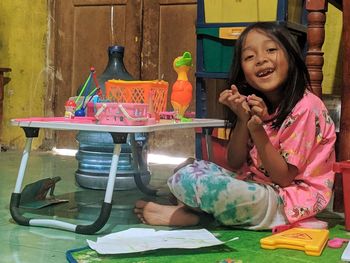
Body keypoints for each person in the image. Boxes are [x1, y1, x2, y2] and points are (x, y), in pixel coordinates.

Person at [134, 22, 336, 230]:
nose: (261, 60)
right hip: (257, 186)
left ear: (292, 57)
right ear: (242, 72)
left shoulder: (306, 107)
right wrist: (242, 119)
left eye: (271, 50)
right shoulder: (256, 102)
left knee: (207, 187)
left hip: (290, 201)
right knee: (186, 169)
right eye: (250, 57)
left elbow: (284, 178)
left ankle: (199, 216)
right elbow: (235, 161)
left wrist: (257, 129)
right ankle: (202, 212)